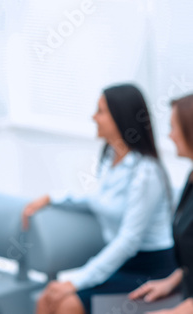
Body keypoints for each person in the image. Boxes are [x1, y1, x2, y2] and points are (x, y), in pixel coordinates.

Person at [23, 84, 177, 314]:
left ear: (119, 117)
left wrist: (75, 281)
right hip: (120, 264)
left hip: (148, 269)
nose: (93, 117)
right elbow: (98, 200)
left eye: (100, 111)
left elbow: (128, 241)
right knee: (45, 300)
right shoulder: (110, 160)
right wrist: (51, 198)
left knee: (66, 304)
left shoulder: (146, 173)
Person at [129, 94, 193, 314]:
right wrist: (172, 281)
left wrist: (175, 312)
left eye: (174, 128)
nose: (170, 135)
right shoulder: (191, 177)